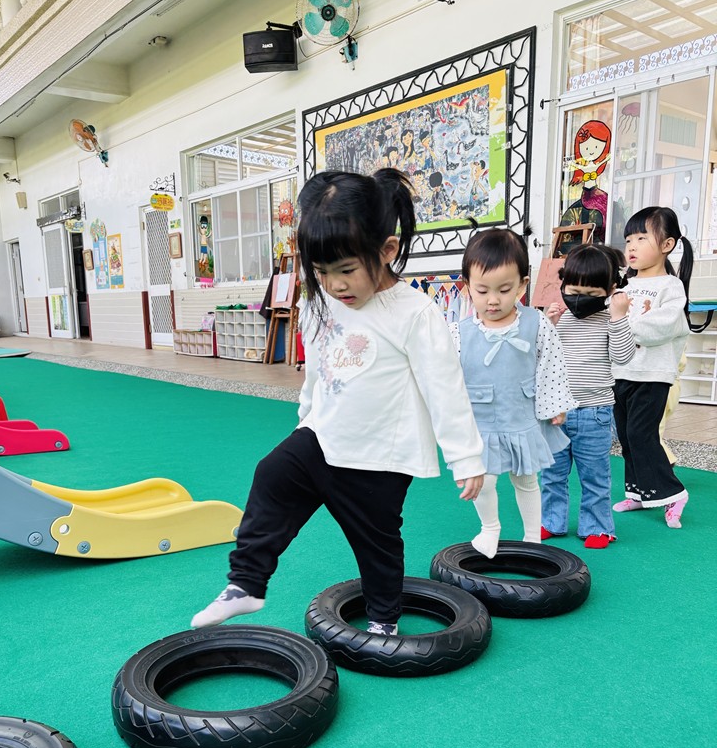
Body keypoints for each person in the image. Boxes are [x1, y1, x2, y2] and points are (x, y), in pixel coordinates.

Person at [191, 168, 485, 635]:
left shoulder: (414, 313)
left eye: (346, 270)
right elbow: (318, 371)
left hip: (380, 457)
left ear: (386, 250)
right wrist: (304, 421)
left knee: (375, 542)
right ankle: (246, 583)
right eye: (322, 272)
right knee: (271, 474)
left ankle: (383, 624)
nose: (335, 284)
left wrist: (465, 457)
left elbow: (445, 387)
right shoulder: (320, 303)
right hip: (322, 437)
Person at [456, 227, 576, 559]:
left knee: (526, 479)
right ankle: (490, 528)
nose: (493, 300)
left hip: (522, 416)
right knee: (484, 480)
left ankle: (532, 537)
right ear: (467, 287)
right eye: (482, 290)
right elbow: (446, 379)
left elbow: (552, 363)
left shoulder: (537, 323)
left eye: (504, 289)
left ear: (522, 285)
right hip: (481, 421)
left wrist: (555, 404)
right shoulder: (459, 333)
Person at [540, 243, 636, 548]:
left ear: (610, 290)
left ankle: (598, 527)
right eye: (573, 291)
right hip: (556, 412)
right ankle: (551, 522)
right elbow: (539, 358)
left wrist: (619, 318)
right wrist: (548, 325)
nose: (580, 299)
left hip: (594, 412)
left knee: (594, 475)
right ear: (563, 284)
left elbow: (623, 357)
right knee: (551, 473)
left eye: (592, 294)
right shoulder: (559, 318)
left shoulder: (610, 320)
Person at [610, 206, 692, 527]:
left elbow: (666, 324)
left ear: (667, 245)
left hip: (652, 375)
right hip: (621, 373)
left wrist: (622, 323)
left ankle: (674, 493)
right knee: (626, 437)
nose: (631, 246)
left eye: (642, 238)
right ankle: (639, 492)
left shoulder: (670, 286)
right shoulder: (625, 285)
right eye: (629, 239)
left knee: (641, 434)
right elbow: (609, 322)